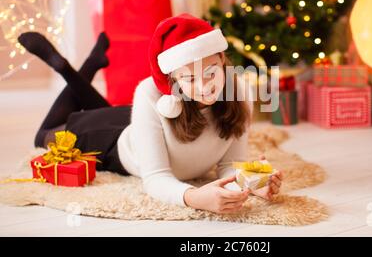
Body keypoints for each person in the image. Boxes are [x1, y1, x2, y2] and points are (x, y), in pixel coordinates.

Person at [18, 13, 283, 214]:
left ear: (223, 61)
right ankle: (67, 67)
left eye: (212, 72)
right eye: (189, 79)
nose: (205, 87)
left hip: (140, 125)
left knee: (103, 110)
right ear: (173, 80)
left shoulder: (240, 90)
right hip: (112, 142)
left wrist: (253, 185)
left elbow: (229, 166)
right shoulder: (150, 94)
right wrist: (194, 197)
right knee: (43, 136)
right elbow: (155, 179)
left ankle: (94, 61)